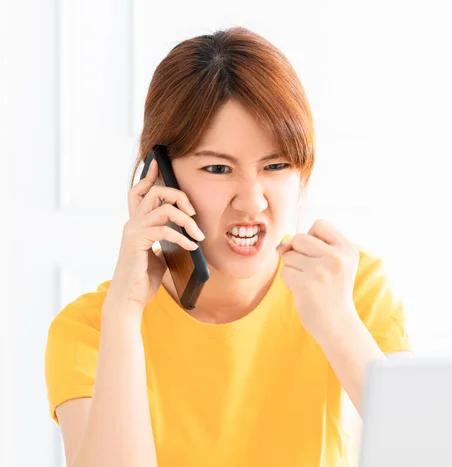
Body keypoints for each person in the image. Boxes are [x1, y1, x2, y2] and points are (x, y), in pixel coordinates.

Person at [44, 26, 411, 467]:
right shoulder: (91, 329)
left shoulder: (350, 287)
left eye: (276, 166)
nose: (253, 201)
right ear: (159, 179)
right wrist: (124, 313)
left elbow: (435, 453)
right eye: (219, 168)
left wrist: (336, 323)